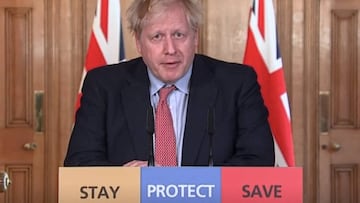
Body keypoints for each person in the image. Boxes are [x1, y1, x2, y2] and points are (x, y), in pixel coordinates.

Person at [64, 0, 275, 167]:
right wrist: (128, 179)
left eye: (179, 35)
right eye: (157, 37)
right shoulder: (104, 86)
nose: (171, 49)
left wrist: (187, 186)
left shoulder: (236, 84)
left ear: (195, 38)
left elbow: (258, 160)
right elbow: (80, 163)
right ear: (138, 43)